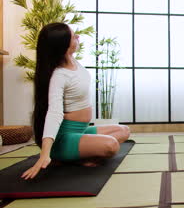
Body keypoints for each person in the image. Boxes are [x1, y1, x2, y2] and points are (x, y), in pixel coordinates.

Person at [22, 22, 130, 180]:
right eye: (73, 36)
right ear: (63, 44)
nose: (78, 36)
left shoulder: (73, 61)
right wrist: (44, 154)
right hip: (64, 137)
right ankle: (61, 156)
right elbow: (54, 113)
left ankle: (74, 157)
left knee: (124, 131)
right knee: (111, 145)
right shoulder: (59, 75)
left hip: (80, 131)